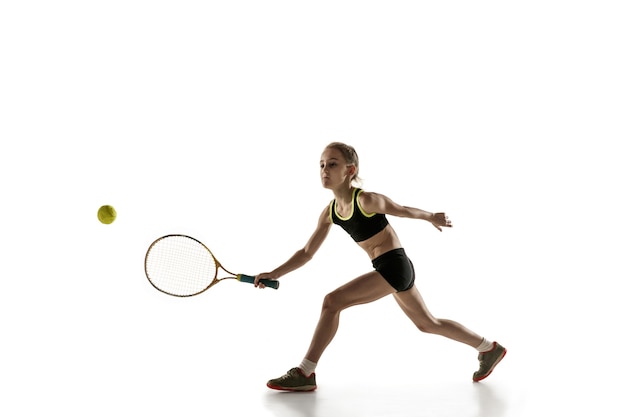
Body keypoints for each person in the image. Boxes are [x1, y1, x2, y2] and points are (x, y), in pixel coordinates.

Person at [254, 142, 506, 391]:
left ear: (350, 171)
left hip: (394, 266)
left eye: (332, 164)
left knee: (332, 301)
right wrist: (274, 273)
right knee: (428, 323)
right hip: (393, 269)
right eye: (321, 165)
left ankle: (305, 371)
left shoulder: (366, 200)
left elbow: (402, 210)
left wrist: (430, 216)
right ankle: (488, 348)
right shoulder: (330, 212)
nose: (324, 170)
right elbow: (307, 252)